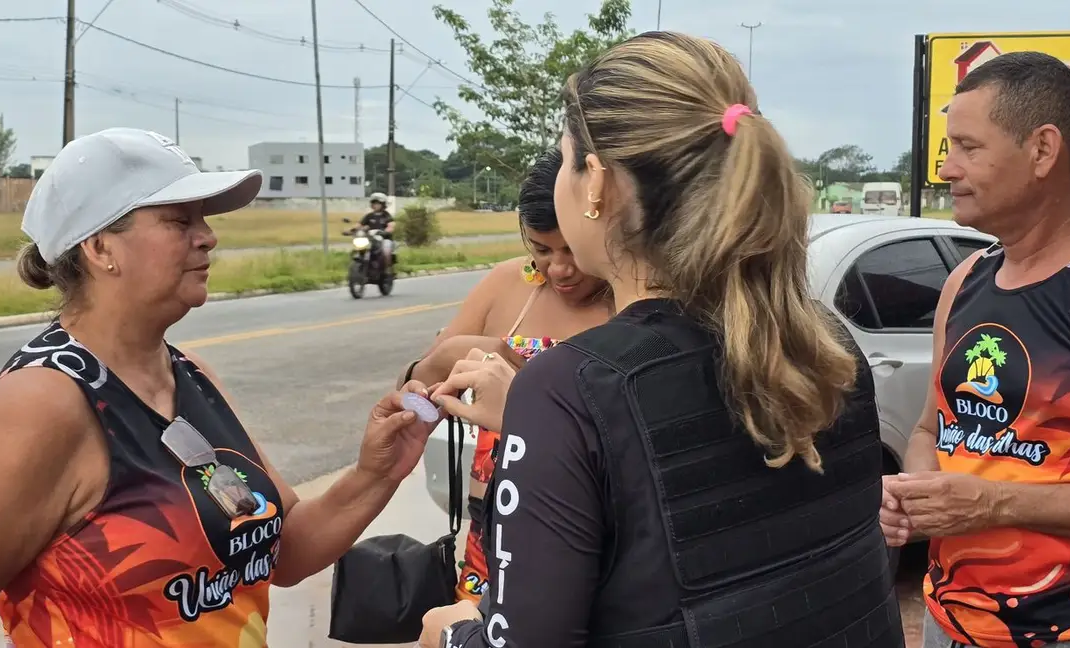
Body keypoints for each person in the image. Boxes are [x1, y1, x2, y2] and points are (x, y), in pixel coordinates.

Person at [416, 31, 904, 648]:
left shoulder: (571, 389)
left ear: (596, 183)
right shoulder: (826, 346)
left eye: (565, 160)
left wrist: (449, 633)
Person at [0, 128, 439, 648]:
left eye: (203, 220)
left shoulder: (191, 376)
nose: (208, 237)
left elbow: (284, 548)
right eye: (179, 221)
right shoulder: (42, 404)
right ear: (100, 248)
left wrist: (376, 473)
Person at [876, 52, 1070, 648]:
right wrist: (917, 495)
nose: (945, 169)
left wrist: (994, 504)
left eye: (967, 147)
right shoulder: (965, 279)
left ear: (1043, 150)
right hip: (950, 622)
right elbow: (929, 430)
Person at [400, 147, 613, 604]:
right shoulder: (505, 284)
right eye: (541, 249)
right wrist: (441, 362)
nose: (559, 269)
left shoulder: (631, 299)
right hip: (491, 526)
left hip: (591, 524)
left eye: (572, 249)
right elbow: (414, 398)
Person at [360, 191, 397, 267]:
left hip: (384, 239)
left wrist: (386, 231)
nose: (375, 205)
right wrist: (352, 230)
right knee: (359, 249)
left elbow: (391, 225)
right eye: (374, 203)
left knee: (386, 252)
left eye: (378, 203)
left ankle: (388, 269)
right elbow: (360, 225)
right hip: (370, 239)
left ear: (383, 205)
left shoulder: (386, 215)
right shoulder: (369, 216)